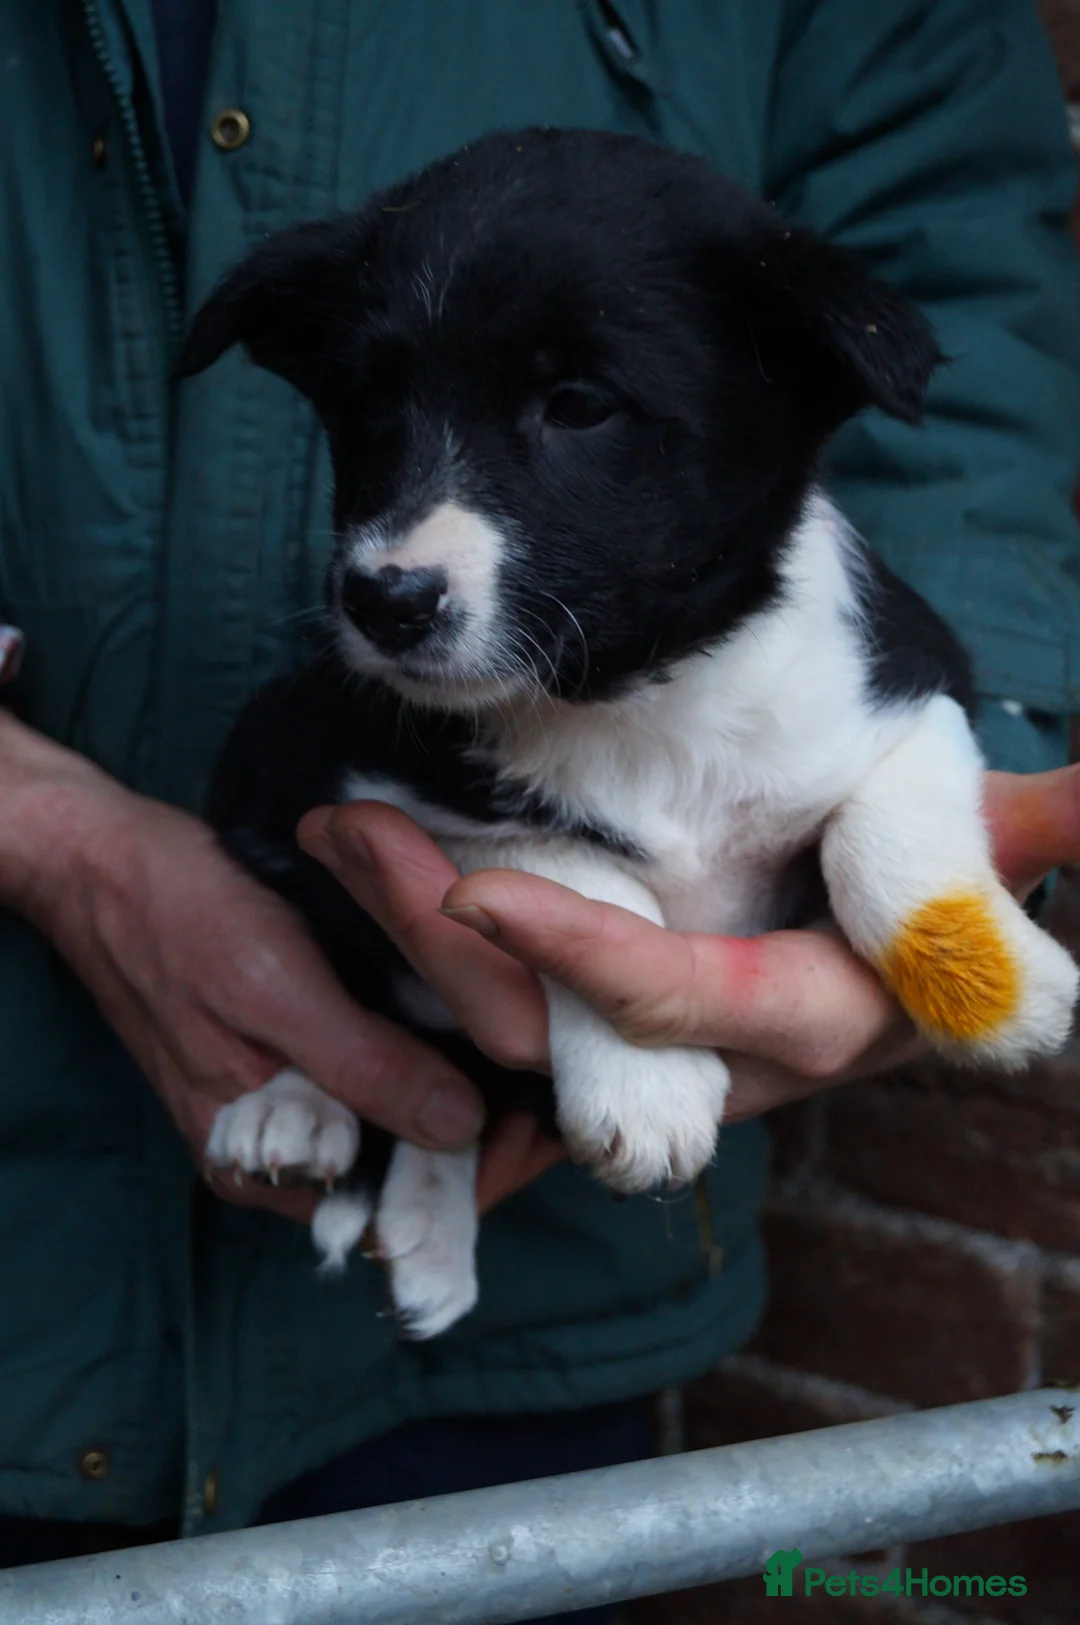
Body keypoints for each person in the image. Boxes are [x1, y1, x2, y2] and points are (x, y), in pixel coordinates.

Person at [2, 1, 1080, 1606]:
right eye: (376, 407)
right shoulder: (390, 711)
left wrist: (959, 816)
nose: (395, 556)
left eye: (574, 410)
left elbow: (963, 262)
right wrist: (46, 825)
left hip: (526, 1324)